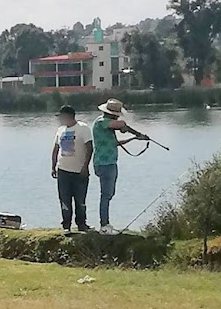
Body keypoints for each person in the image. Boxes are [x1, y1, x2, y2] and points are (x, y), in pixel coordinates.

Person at [92, 98, 149, 235]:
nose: (118, 116)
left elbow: (114, 143)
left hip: (109, 163)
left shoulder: (108, 126)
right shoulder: (102, 122)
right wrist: (127, 129)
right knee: (106, 195)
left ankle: (105, 224)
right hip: (105, 164)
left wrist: (135, 137)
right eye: (116, 114)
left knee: (109, 194)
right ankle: (104, 225)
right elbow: (120, 124)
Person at [51, 105, 93, 233]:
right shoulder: (60, 130)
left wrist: (85, 166)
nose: (60, 120)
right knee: (64, 199)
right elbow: (55, 149)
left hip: (79, 171)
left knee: (80, 200)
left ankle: (81, 224)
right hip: (63, 170)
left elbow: (90, 148)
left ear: (69, 116)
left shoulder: (83, 129)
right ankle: (66, 225)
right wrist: (53, 167)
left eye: (62, 117)